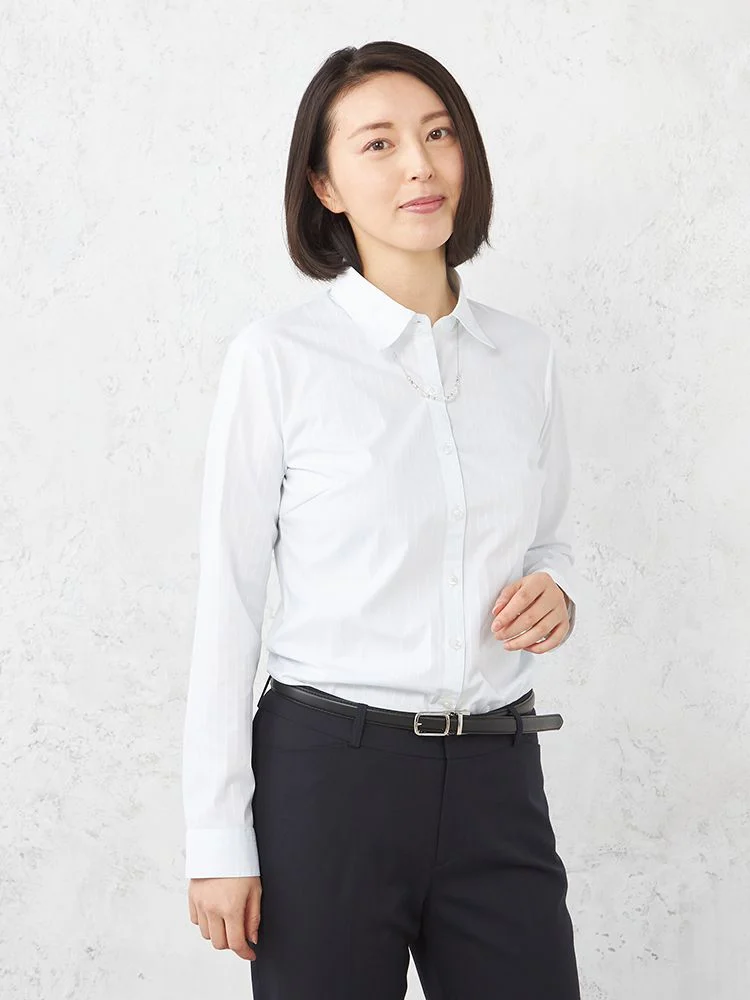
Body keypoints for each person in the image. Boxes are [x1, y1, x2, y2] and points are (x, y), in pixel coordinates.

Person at [182, 39, 584, 999]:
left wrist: (557, 590)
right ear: (323, 185)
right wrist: (217, 836)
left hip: (498, 776)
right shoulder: (278, 359)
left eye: (439, 134)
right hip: (329, 780)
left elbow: (547, 540)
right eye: (379, 143)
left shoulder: (525, 358)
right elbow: (229, 601)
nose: (419, 164)